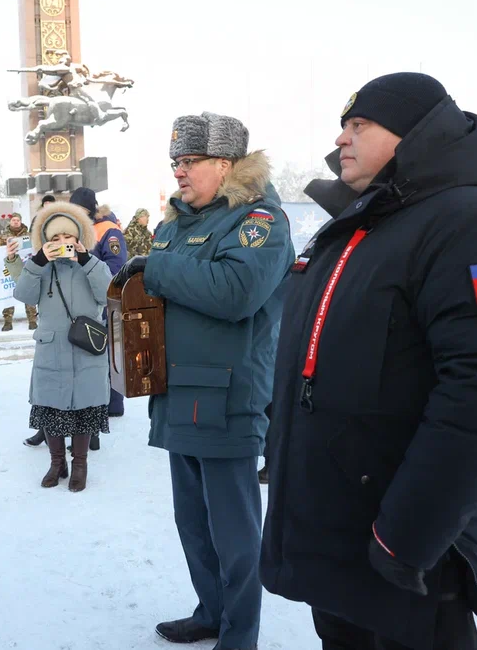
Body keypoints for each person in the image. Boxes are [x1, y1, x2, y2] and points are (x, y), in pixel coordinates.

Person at [261, 73, 477, 650]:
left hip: (408, 547)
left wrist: (406, 535)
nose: (341, 138)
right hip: (341, 530)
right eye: (343, 126)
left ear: (415, 133)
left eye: (359, 125)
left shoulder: (464, 219)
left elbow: (474, 392)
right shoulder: (357, 223)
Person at [112, 111, 293, 650]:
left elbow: (236, 292)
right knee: (192, 524)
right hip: (176, 393)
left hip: (226, 399)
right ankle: (211, 612)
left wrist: (155, 268)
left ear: (226, 165)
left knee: (234, 534)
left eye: (190, 161)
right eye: (176, 161)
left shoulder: (258, 221)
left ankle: (239, 635)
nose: (179, 171)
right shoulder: (176, 223)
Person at [5, 201, 111, 492]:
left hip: (86, 348)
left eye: (68, 236)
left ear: (79, 238)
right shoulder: (40, 268)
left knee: (84, 409)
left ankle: (80, 465)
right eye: (55, 238)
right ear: (45, 241)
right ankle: (57, 463)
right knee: (51, 408)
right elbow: (24, 295)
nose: (63, 242)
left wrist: (86, 260)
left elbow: (108, 293)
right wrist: (37, 262)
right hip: (51, 348)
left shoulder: (93, 264)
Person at [69, 188, 127, 434]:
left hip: (104, 300)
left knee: (107, 351)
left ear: (91, 209)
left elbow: (116, 267)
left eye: (81, 210)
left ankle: (112, 404)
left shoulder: (107, 230)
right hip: (78, 302)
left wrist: (91, 274)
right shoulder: (72, 229)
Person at [0, 212, 38, 332]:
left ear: (20, 221)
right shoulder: (3, 236)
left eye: (18, 220)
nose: (16, 222)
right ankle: (8, 321)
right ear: (10, 221)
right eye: (13, 220)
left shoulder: (29, 235)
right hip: (9, 268)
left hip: (26, 266)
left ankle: (32, 320)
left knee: (28, 291)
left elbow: (34, 247)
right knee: (8, 292)